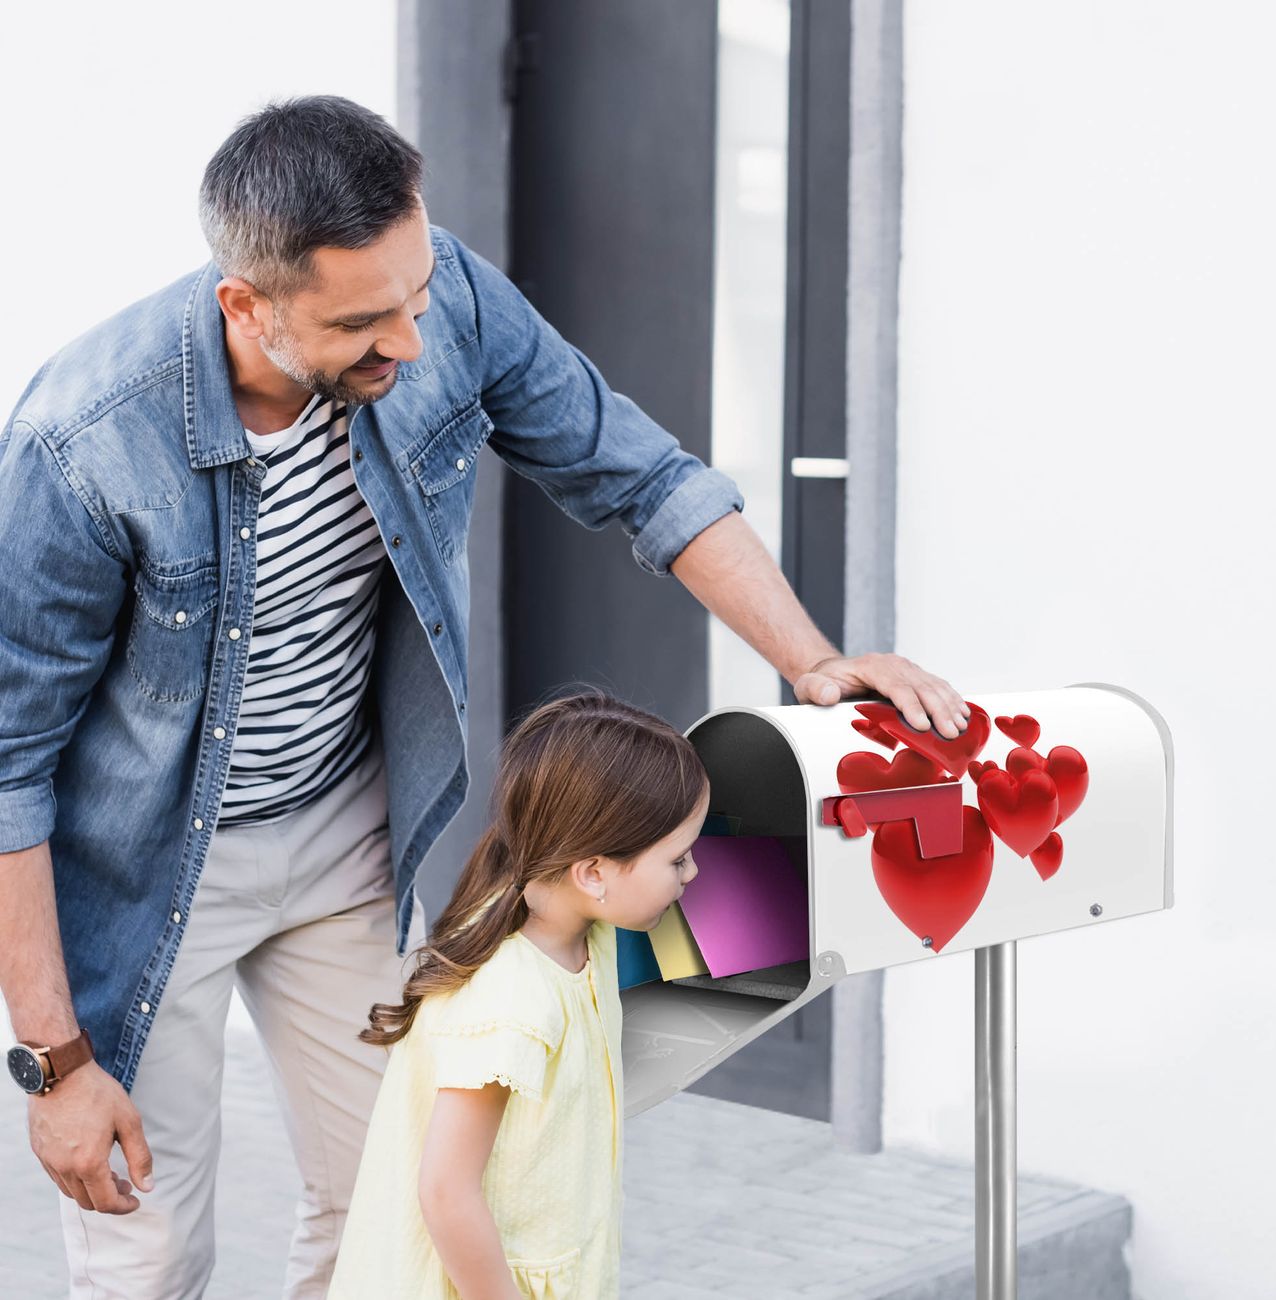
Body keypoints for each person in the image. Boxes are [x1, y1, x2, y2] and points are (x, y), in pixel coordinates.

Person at [0, 95, 968, 1298]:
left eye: (412, 294)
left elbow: (641, 474)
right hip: (148, 874)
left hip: (345, 834)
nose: (408, 343)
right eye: (361, 322)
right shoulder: (83, 441)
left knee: (387, 1214)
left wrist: (811, 659)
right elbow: (8, 766)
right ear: (244, 305)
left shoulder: (443, 295)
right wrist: (54, 1063)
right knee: (147, 1255)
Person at [327, 690, 706, 1299]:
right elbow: (446, 1192)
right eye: (679, 859)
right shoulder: (512, 1002)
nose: (693, 874)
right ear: (593, 873)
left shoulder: (584, 929)